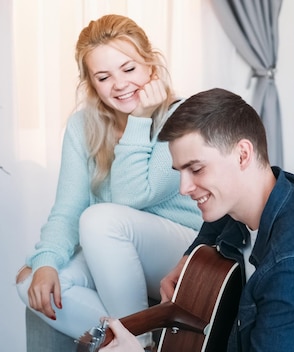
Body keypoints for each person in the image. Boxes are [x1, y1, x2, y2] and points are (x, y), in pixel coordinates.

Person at [100, 88, 294, 351]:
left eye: (196, 169)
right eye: (180, 172)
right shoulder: (262, 193)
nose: (184, 188)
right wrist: (190, 259)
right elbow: (214, 226)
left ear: (243, 154)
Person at [15, 14, 202, 349]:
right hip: (114, 246)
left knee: (100, 219)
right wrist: (46, 263)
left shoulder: (181, 116)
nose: (119, 84)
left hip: (180, 250)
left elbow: (134, 196)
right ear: (91, 84)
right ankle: (139, 343)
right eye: (104, 77)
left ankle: (134, 339)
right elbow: (67, 210)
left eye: (129, 69)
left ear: (151, 68)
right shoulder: (81, 126)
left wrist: (139, 120)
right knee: (29, 282)